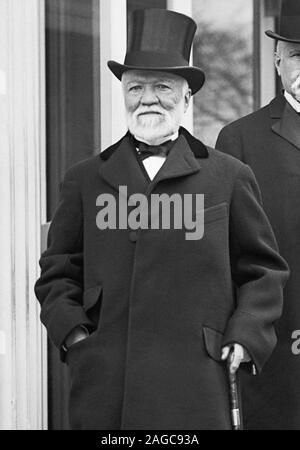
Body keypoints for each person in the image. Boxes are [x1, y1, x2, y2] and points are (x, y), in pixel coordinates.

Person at [34, 8, 288, 430]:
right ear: (123, 95)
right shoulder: (84, 179)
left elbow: (263, 270)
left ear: (187, 97)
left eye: (162, 86)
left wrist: (245, 336)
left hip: (197, 384)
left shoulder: (229, 177)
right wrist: (77, 336)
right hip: (106, 385)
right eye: (135, 87)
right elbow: (56, 274)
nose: (147, 98)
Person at [216, 0, 300, 430]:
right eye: (299, 55)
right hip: (275, 345)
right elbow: (231, 253)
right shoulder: (239, 139)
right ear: (277, 60)